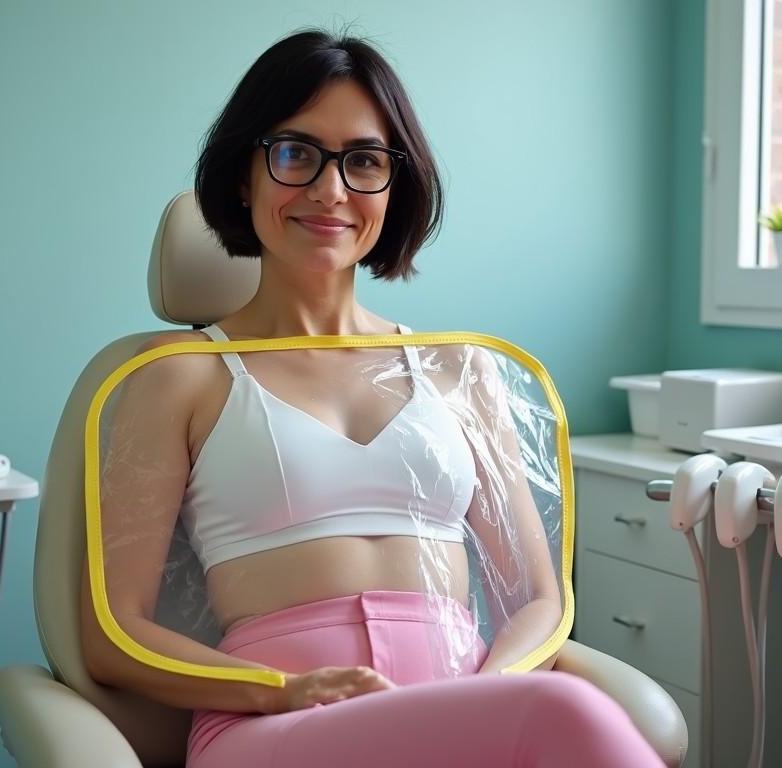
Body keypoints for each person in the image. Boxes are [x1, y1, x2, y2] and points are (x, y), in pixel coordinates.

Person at [81, 29, 665, 767]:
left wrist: (485, 699)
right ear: (243, 176)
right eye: (297, 154)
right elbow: (113, 633)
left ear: (395, 185)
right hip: (275, 726)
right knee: (567, 709)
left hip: (471, 710)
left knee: (554, 710)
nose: (331, 191)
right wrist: (274, 688)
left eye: (363, 161)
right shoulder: (177, 376)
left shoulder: (460, 369)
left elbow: (540, 601)